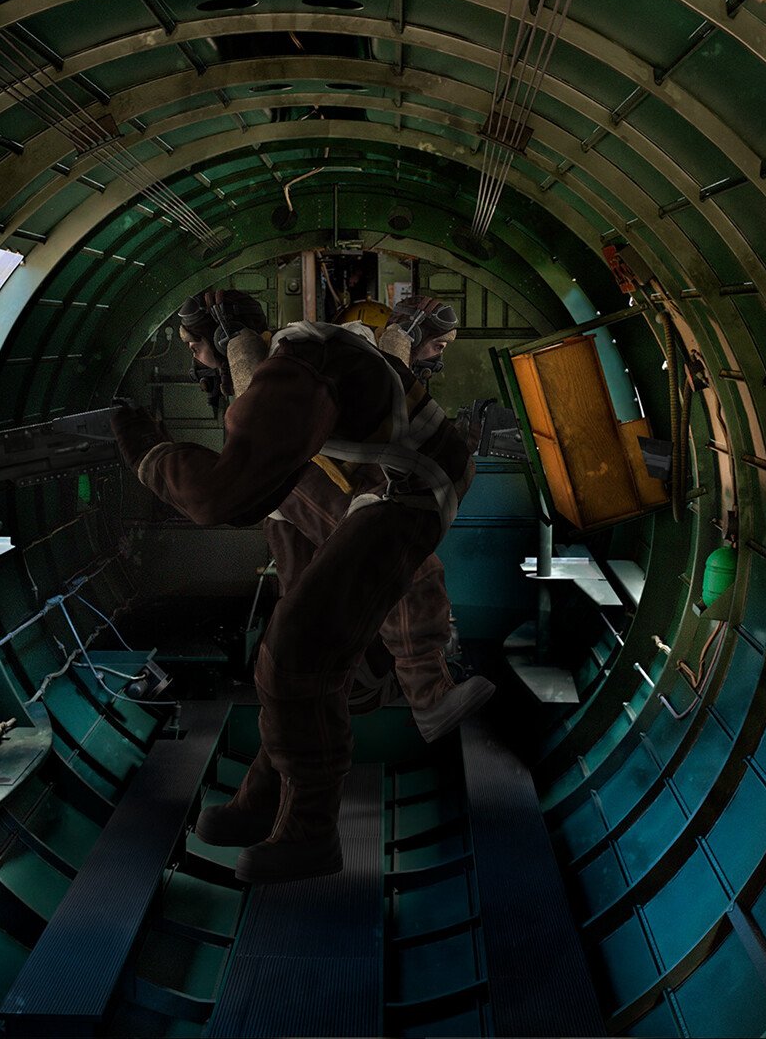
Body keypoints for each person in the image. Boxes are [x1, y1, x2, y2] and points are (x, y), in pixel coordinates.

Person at [113, 289, 495, 884]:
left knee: (294, 657)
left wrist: (145, 450)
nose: (194, 360)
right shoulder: (290, 366)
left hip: (413, 493)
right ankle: (264, 800)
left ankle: (311, 833)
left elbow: (222, 498)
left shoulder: (298, 368)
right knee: (286, 656)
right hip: (393, 481)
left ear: (223, 339)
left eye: (194, 347)